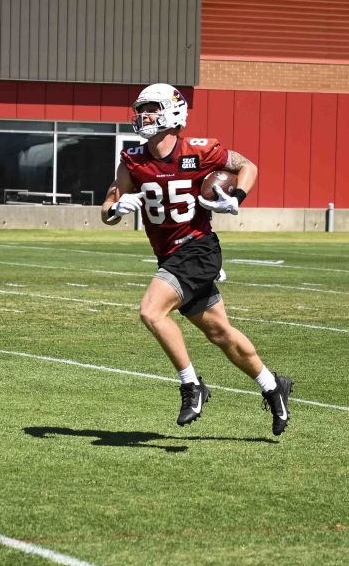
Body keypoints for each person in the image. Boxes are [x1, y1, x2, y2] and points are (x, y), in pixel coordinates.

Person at [101, 82, 293, 435]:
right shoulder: (134, 161)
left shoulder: (200, 150)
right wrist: (116, 209)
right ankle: (272, 385)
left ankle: (192, 386)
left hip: (198, 248)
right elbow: (107, 207)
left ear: (173, 112)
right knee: (221, 333)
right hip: (169, 255)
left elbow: (247, 165)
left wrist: (237, 196)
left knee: (151, 311)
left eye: (152, 108)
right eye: (141, 109)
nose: (144, 116)